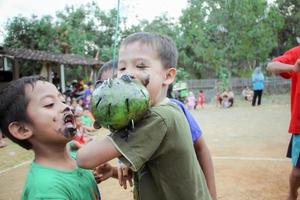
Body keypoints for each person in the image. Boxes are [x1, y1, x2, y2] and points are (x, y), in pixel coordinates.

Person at [77, 32, 212, 200]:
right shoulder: (169, 110)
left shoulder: (157, 119)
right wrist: (113, 171)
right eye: (122, 68)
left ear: (168, 76)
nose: (127, 74)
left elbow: (84, 159)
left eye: (141, 66)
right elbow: (156, 173)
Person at [97, 62, 217, 200]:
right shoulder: (123, 127)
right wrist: (113, 171)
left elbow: (201, 148)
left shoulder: (171, 109)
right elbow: (147, 170)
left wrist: (212, 196)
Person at [0, 76, 101, 200]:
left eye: (63, 100)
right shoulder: (47, 191)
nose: (66, 107)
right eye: (49, 104)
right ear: (23, 129)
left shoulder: (74, 156)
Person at [267, 45, 300, 200]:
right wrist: (293, 67)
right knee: (298, 172)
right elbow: (271, 66)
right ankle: (292, 194)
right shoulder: (298, 53)